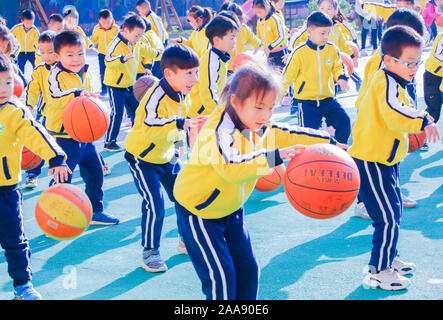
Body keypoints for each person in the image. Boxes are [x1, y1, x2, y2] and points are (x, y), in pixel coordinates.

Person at [173, 62, 346, 300]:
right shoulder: (218, 131)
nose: (265, 115)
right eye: (259, 107)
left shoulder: (252, 123)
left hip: (230, 208)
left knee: (248, 271)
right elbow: (231, 168)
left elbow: (285, 132)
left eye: (271, 108)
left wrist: (329, 143)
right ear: (235, 101)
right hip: (199, 210)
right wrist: (274, 156)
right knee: (221, 279)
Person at [348, 25, 440, 291]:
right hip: (371, 161)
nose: (414, 68)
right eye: (409, 63)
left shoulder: (397, 80)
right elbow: (393, 111)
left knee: (395, 209)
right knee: (386, 217)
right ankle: (379, 270)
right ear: (388, 60)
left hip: (386, 159)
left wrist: (419, 116)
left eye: (417, 62)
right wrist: (421, 119)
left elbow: (402, 108)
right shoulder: (384, 81)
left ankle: (390, 257)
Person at [124, 44, 200, 272]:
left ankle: (185, 240)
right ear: (168, 74)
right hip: (142, 158)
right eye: (189, 73)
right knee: (155, 205)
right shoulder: (154, 97)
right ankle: (150, 252)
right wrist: (179, 125)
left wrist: (179, 146)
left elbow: (181, 120)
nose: (194, 79)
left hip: (167, 156)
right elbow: (151, 127)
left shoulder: (182, 93)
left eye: (196, 72)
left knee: (184, 197)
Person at [0, 53, 70, 300]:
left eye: (8, 82)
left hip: (5, 189)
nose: (4, 89)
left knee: (14, 240)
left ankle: (23, 285)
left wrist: (55, 157)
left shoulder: (14, 111)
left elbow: (35, 133)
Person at [353, 8, 426, 219]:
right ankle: (362, 201)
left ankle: (392, 191)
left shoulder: (404, 61)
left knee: (392, 158)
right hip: (374, 119)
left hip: (391, 119)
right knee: (371, 161)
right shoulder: (382, 62)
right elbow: (376, 98)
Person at [46, 30, 120, 225]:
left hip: (84, 135)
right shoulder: (55, 75)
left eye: (80, 54)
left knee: (95, 172)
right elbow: (55, 97)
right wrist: (77, 94)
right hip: (64, 137)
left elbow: (88, 102)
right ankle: (55, 213)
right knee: (63, 177)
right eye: (69, 55)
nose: (76, 59)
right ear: (57, 56)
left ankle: (96, 210)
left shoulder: (84, 71)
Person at [282, 11, 351, 145]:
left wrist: (342, 77)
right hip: (307, 102)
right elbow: (288, 76)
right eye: (322, 33)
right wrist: (278, 93)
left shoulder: (332, 49)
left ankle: (339, 150)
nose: (326, 37)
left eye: (328, 33)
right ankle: (312, 160)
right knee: (309, 136)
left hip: (328, 99)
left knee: (344, 121)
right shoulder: (299, 52)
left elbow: (338, 66)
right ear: (309, 31)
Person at [102, 13, 147, 152]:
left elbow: (147, 50)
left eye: (141, 35)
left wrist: (160, 53)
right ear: (126, 31)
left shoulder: (135, 43)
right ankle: (109, 142)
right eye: (137, 35)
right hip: (115, 86)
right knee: (117, 113)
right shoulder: (116, 44)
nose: (139, 38)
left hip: (129, 85)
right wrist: (122, 59)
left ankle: (137, 137)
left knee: (137, 111)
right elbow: (108, 61)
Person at [23, 31, 58, 190]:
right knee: (41, 143)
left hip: (68, 115)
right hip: (48, 115)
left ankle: (99, 162)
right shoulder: (39, 71)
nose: (46, 56)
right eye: (42, 52)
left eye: (50, 52)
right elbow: (33, 90)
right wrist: (29, 106)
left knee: (83, 141)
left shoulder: (67, 68)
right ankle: (32, 174)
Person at [187, 14, 239, 119]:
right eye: (232, 38)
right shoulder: (212, 60)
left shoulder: (219, 57)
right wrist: (221, 114)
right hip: (199, 114)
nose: (235, 42)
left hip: (208, 112)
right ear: (217, 40)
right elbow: (208, 93)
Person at [219, 2, 261, 72]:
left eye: (239, 21)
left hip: (239, 68)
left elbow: (258, 44)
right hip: (224, 68)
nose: (238, 25)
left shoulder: (244, 29)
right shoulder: (222, 31)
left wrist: (251, 55)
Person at [90, 9, 120, 95]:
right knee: (103, 71)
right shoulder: (97, 28)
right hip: (102, 54)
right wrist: (89, 44)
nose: (106, 25)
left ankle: (115, 86)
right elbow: (93, 39)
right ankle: (104, 88)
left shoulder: (116, 29)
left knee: (114, 70)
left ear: (112, 19)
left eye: (108, 22)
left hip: (114, 54)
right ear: (99, 21)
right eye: (103, 23)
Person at [253, 0, 288, 70]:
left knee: (283, 74)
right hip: (270, 54)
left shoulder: (274, 19)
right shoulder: (259, 22)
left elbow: (281, 37)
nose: (258, 15)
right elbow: (260, 38)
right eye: (256, 13)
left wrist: (269, 47)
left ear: (267, 8)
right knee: (271, 76)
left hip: (280, 52)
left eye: (259, 12)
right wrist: (258, 46)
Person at [423, 32, 443, 128]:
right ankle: (419, 137)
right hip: (433, 76)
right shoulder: (441, 36)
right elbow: (436, 56)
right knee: (433, 111)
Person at [10, 10, 39, 74]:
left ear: (34, 20)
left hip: (32, 52)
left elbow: (38, 43)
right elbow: (9, 36)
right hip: (21, 52)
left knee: (36, 67)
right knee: (20, 69)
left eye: (31, 23)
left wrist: (38, 52)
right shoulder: (17, 28)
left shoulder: (35, 30)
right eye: (27, 23)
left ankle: (36, 80)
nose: (29, 25)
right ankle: (22, 82)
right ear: (22, 21)